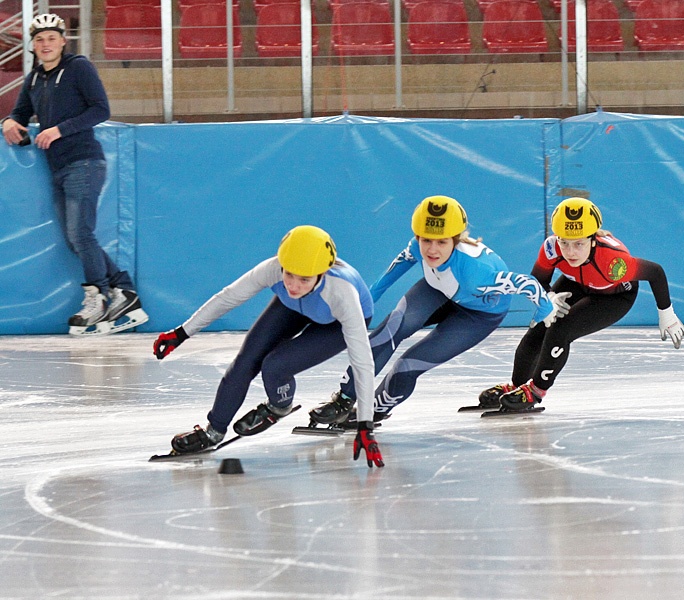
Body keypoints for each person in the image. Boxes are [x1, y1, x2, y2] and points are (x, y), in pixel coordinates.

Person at [306, 195, 567, 426]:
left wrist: (543, 311)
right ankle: (344, 399)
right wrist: (365, 302)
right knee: (390, 329)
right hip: (436, 291)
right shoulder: (415, 247)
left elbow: (527, 283)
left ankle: (375, 409)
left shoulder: (477, 272)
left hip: (478, 315)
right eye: (426, 240)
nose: (432, 250)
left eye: (442, 242)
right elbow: (392, 273)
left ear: (455, 240)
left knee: (408, 364)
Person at [152, 226, 384, 468]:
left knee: (275, 366)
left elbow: (362, 361)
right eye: (289, 274)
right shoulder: (273, 269)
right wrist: (181, 333)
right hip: (291, 308)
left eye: (304, 278)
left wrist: (365, 426)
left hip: (332, 323)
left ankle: (279, 406)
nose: (293, 285)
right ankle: (213, 431)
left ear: (322, 274)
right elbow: (228, 297)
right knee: (245, 361)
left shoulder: (342, 293)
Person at [2, 14, 147, 335]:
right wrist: (9, 121)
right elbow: (21, 111)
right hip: (58, 168)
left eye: (51, 38)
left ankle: (97, 298)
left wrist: (58, 130)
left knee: (81, 233)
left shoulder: (78, 67)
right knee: (74, 238)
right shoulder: (35, 77)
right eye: (39, 40)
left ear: (63, 41)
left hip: (84, 161)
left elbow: (100, 109)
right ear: (33, 45)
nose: (45, 44)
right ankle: (124, 292)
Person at [478, 197, 684, 411]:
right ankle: (517, 385)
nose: (570, 252)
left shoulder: (614, 262)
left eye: (579, 244)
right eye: (564, 242)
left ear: (593, 239)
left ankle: (536, 392)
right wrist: (548, 296)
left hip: (614, 296)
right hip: (577, 281)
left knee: (560, 329)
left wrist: (666, 313)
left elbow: (655, 272)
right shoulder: (551, 248)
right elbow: (538, 279)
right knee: (540, 327)